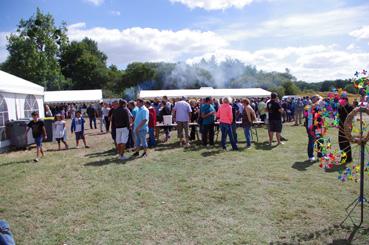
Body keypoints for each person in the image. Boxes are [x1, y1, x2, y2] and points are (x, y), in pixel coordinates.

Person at [305, 95, 323, 162]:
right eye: (315, 99)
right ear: (311, 99)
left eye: (317, 99)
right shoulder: (308, 106)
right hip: (311, 126)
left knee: (320, 140)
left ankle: (320, 155)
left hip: (318, 126)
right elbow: (314, 106)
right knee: (311, 141)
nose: (317, 100)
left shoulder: (318, 106)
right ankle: (311, 156)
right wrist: (320, 99)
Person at [338, 95, 353, 163]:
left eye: (343, 101)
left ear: (346, 101)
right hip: (341, 126)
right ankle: (343, 158)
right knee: (341, 142)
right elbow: (339, 116)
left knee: (346, 142)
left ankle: (349, 158)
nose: (341, 102)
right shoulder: (340, 107)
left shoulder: (350, 107)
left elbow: (351, 117)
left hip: (347, 126)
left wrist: (349, 126)